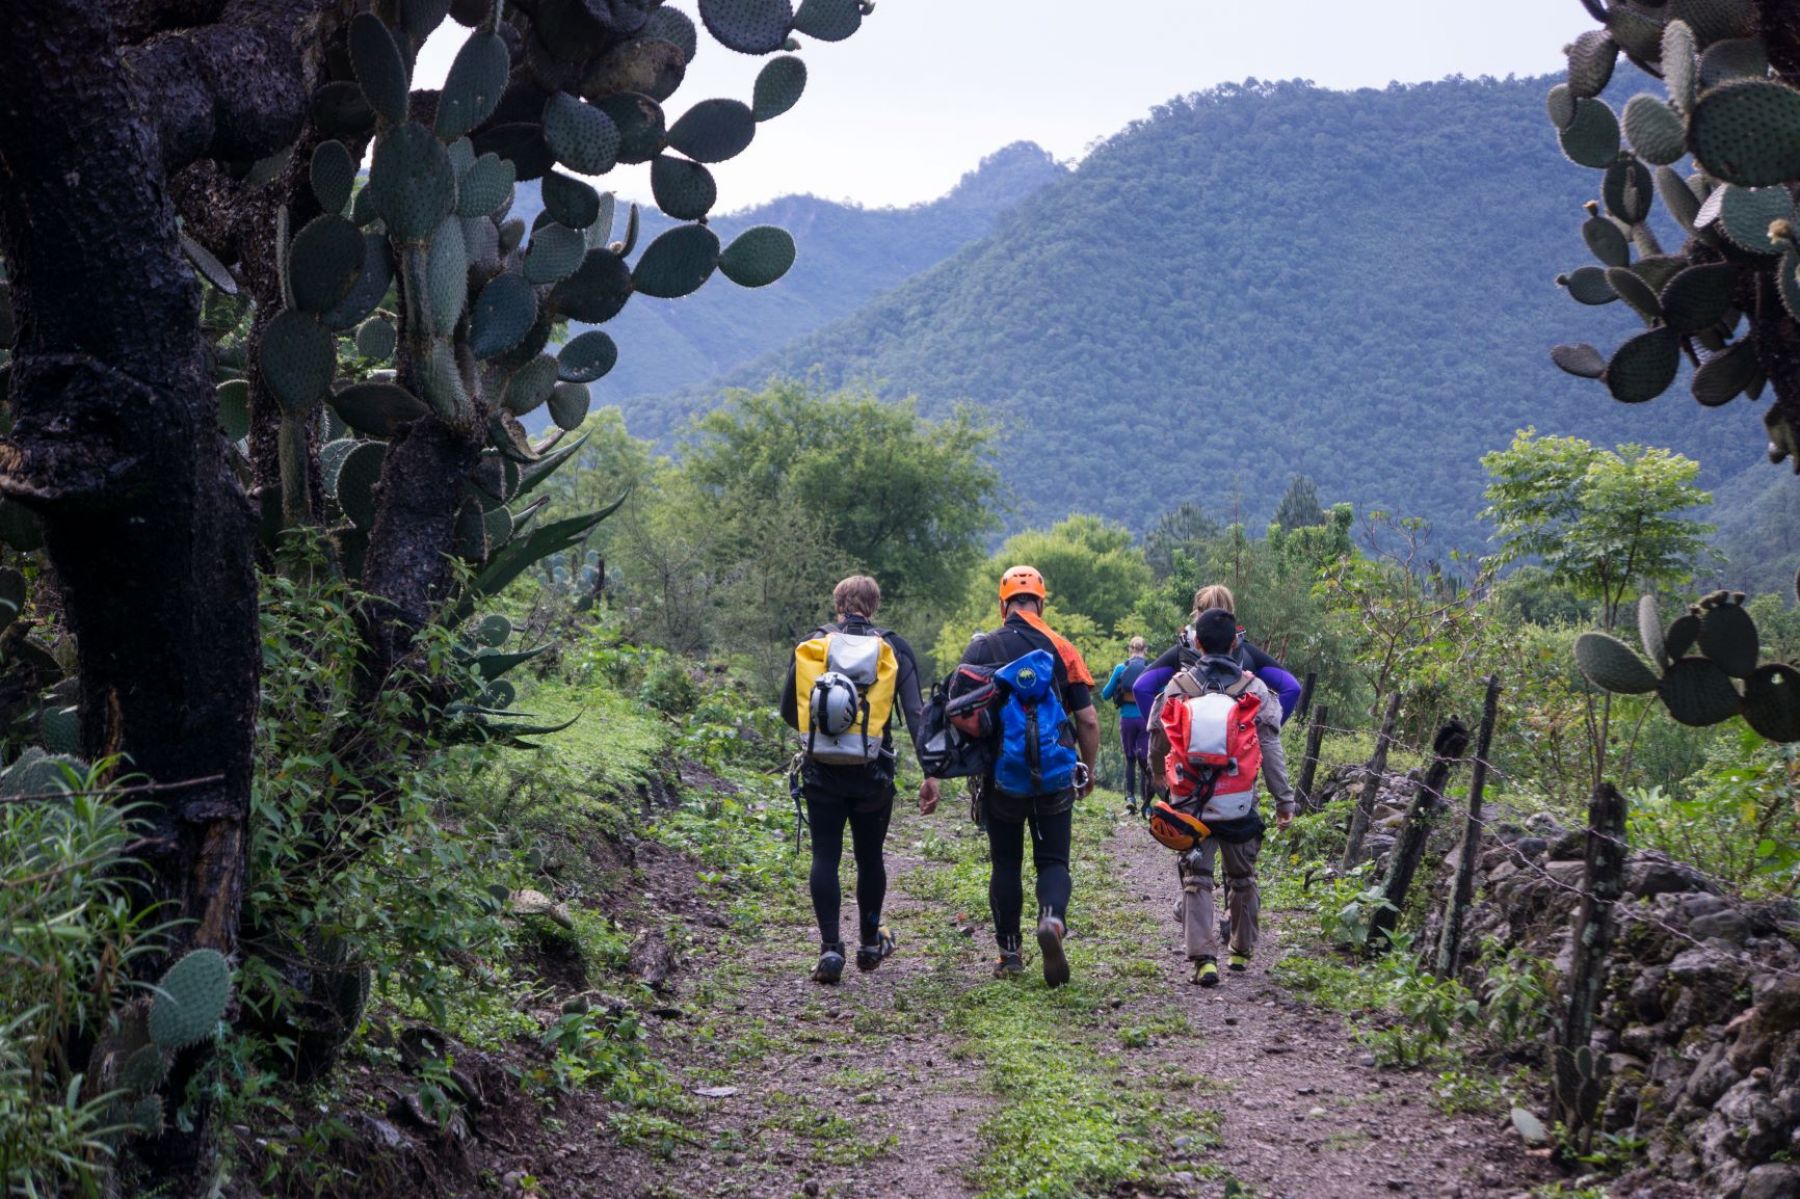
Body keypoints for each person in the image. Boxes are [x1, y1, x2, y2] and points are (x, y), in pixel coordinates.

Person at [781, 575, 939, 984]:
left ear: (838, 604)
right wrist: (930, 773)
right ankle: (870, 942)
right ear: (874, 606)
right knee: (870, 858)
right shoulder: (894, 647)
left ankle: (831, 948)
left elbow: (787, 709)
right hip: (872, 775)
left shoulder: (814, 644)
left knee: (825, 856)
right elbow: (917, 714)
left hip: (821, 773)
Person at [957, 565, 1100, 987]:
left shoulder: (984, 648)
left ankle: (1009, 954)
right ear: (1041, 601)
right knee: (1053, 860)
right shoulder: (1062, 648)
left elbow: (960, 712)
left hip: (1001, 779)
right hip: (1055, 776)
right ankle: (1052, 922)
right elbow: (1088, 720)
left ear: (1004, 605)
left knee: (1005, 862)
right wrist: (1086, 771)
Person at [1157, 608, 1297, 987]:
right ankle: (1239, 951)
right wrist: (1284, 801)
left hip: (1190, 802)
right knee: (1242, 876)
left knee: (1196, 877)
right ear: (1236, 641)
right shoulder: (1254, 691)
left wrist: (1159, 780)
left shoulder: (1178, 686)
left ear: (1196, 643)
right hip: (1238, 801)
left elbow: (1158, 735)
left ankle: (1204, 960)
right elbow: (1270, 749)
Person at [1130, 583, 1302, 724]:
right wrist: (1264, 733)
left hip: (1189, 753)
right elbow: (1291, 688)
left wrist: (1166, 735)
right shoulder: (1247, 654)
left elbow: (1141, 688)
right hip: (1238, 754)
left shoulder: (1183, 651)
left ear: (1198, 615)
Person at [1101, 637, 1152, 815]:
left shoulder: (1120, 668)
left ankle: (1130, 798)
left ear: (1130, 650)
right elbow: (1163, 689)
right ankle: (1147, 804)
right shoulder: (1150, 668)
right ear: (1145, 650)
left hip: (1127, 719)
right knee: (1145, 760)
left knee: (1130, 759)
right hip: (1145, 720)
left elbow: (1105, 694)